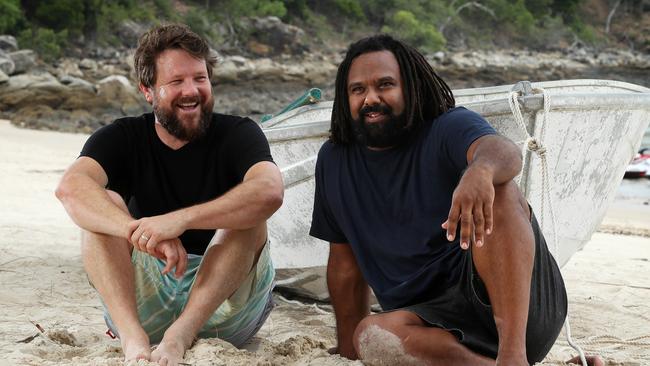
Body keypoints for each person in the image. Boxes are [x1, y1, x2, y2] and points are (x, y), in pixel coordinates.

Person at [309, 34, 603, 366]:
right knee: (370, 337)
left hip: (519, 312)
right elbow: (344, 262)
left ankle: (513, 357)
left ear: (411, 87)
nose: (370, 99)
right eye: (357, 89)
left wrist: (480, 170)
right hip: (429, 323)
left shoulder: (447, 127)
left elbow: (504, 153)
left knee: (499, 189)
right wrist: (348, 349)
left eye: (385, 85)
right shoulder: (334, 160)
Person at [55, 24, 283, 366]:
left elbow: (269, 191)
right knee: (104, 207)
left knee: (247, 214)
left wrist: (179, 220)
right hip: (147, 300)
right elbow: (71, 188)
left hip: (226, 309)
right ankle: (133, 339)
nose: (192, 91)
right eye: (176, 82)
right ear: (148, 91)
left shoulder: (239, 133)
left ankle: (179, 335)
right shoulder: (123, 137)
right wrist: (143, 233)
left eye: (200, 78)